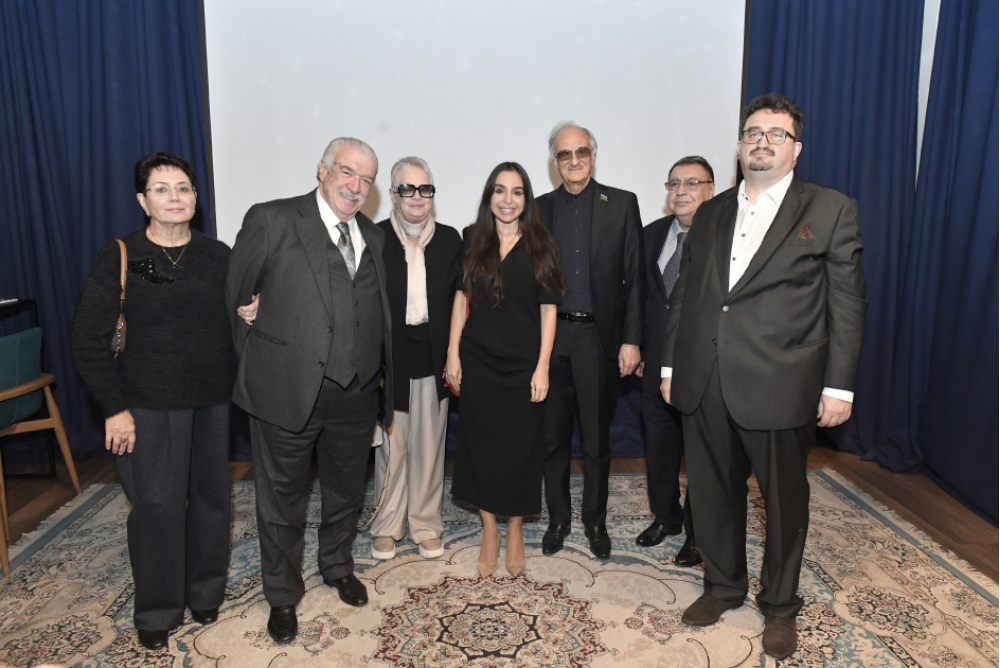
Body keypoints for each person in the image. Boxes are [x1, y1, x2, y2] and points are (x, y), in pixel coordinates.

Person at [661, 93, 866, 659]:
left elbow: (847, 303)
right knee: (710, 493)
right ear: (739, 146)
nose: (763, 142)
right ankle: (723, 587)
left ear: (796, 149)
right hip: (705, 378)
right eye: (753, 132)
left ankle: (779, 606)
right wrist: (672, 365)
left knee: (783, 503)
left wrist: (839, 385)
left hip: (781, 383)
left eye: (777, 134)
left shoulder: (830, 209)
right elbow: (686, 295)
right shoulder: (711, 212)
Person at [225, 137, 393, 644]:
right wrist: (259, 371)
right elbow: (236, 300)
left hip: (356, 393)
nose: (356, 187)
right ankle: (281, 594)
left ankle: (337, 565)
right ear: (322, 169)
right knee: (281, 501)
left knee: (346, 491)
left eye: (366, 179)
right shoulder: (272, 219)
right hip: (285, 392)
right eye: (347, 172)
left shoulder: (373, 235)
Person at [71, 152, 235, 651]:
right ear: (143, 200)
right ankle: (158, 610)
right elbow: (87, 339)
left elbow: (234, 317)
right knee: (157, 507)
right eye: (161, 189)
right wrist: (114, 408)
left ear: (196, 198)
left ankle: (205, 593)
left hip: (214, 400)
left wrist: (251, 310)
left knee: (211, 502)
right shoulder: (126, 256)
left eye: (183, 188)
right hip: (148, 405)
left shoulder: (218, 255)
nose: (174, 197)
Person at [446, 162, 564, 578]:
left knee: (520, 449)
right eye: (500, 190)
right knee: (479, 447)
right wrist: (452, 353)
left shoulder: (542, 244)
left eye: (516, 192)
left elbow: (549, 311)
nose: (507, 200)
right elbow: (461, 299)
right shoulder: (472, 238)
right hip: (477, 361)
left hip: (524, 366)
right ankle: (490, 528)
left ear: (526, 199)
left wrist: (542, 366)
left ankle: (514, 526)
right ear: (489, 196)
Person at [537, 121, 644, 560]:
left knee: (597, 442)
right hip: (551, 338)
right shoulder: (538, 209)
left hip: (599, 340)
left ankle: (594, 521)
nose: (574, 160)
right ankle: (559, 519)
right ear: (555, 161)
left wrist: (631, 340)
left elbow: (635, 278)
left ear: (593, 156)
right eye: (565, 154)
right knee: (553, 439)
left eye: (581, 151)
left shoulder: (621, 203)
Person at [368, 157, 462, 561]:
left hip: (433, 355)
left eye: (425, 189)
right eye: (407, 189)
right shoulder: (373, 237)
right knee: (391, 450)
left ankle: (425, 524)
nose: (417, 197)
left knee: (428, 447)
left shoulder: (451, 240)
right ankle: (387, 526)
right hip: (389, 359)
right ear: (393, 194)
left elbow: (459, 300)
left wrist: (454, 355)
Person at [635, 156, 715, 567]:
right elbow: (639, 297)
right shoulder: (650, 234)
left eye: (691, 183)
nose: (681, 191)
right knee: (660, 449)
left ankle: (698, 534)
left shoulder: (723, 238)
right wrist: (636, 346)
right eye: (674, 184)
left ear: (711, 190)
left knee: (700, 456)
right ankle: (666, 518)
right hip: (654, 364)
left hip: (702, 367)